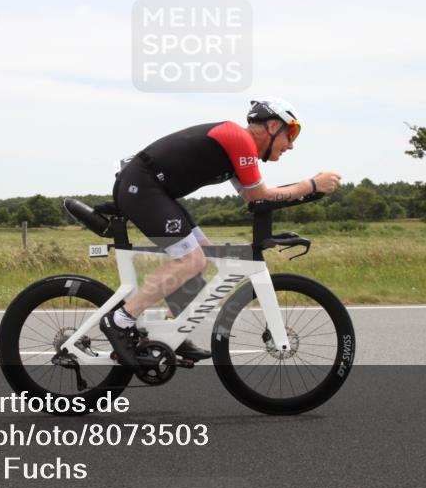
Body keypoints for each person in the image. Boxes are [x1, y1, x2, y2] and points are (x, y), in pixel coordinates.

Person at [100, 98, 342, 366]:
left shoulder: (238, 150)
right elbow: (261, 194)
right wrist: (311, 184)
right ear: (273, 125)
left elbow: (255, 200)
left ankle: (170, 334)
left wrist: (309, 191)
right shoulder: (239, 139)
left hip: (154, 190)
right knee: (191, 260)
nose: (292, 144)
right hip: (141, 187)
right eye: (291, 133)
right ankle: (120, 320)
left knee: (203, 254)